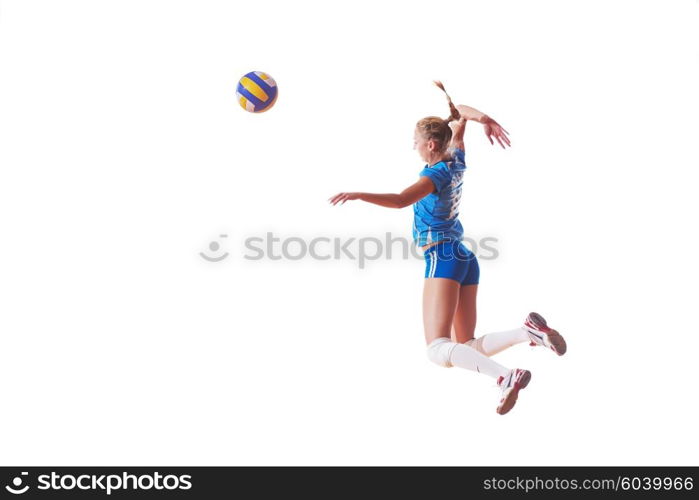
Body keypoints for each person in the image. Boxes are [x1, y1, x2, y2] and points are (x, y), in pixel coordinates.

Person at [328, 82, 566, 415]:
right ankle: (526, 332)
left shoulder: (434, 175)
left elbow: (400, 201)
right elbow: (459, 116)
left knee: (437, 349)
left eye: (414, 143)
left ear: (429, 144)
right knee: (464, 344)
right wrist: (484, 118)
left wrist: (358, 194)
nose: (413, 148)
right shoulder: (456, 159)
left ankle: (505, 377)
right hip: (463, 256)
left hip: (442, 256)